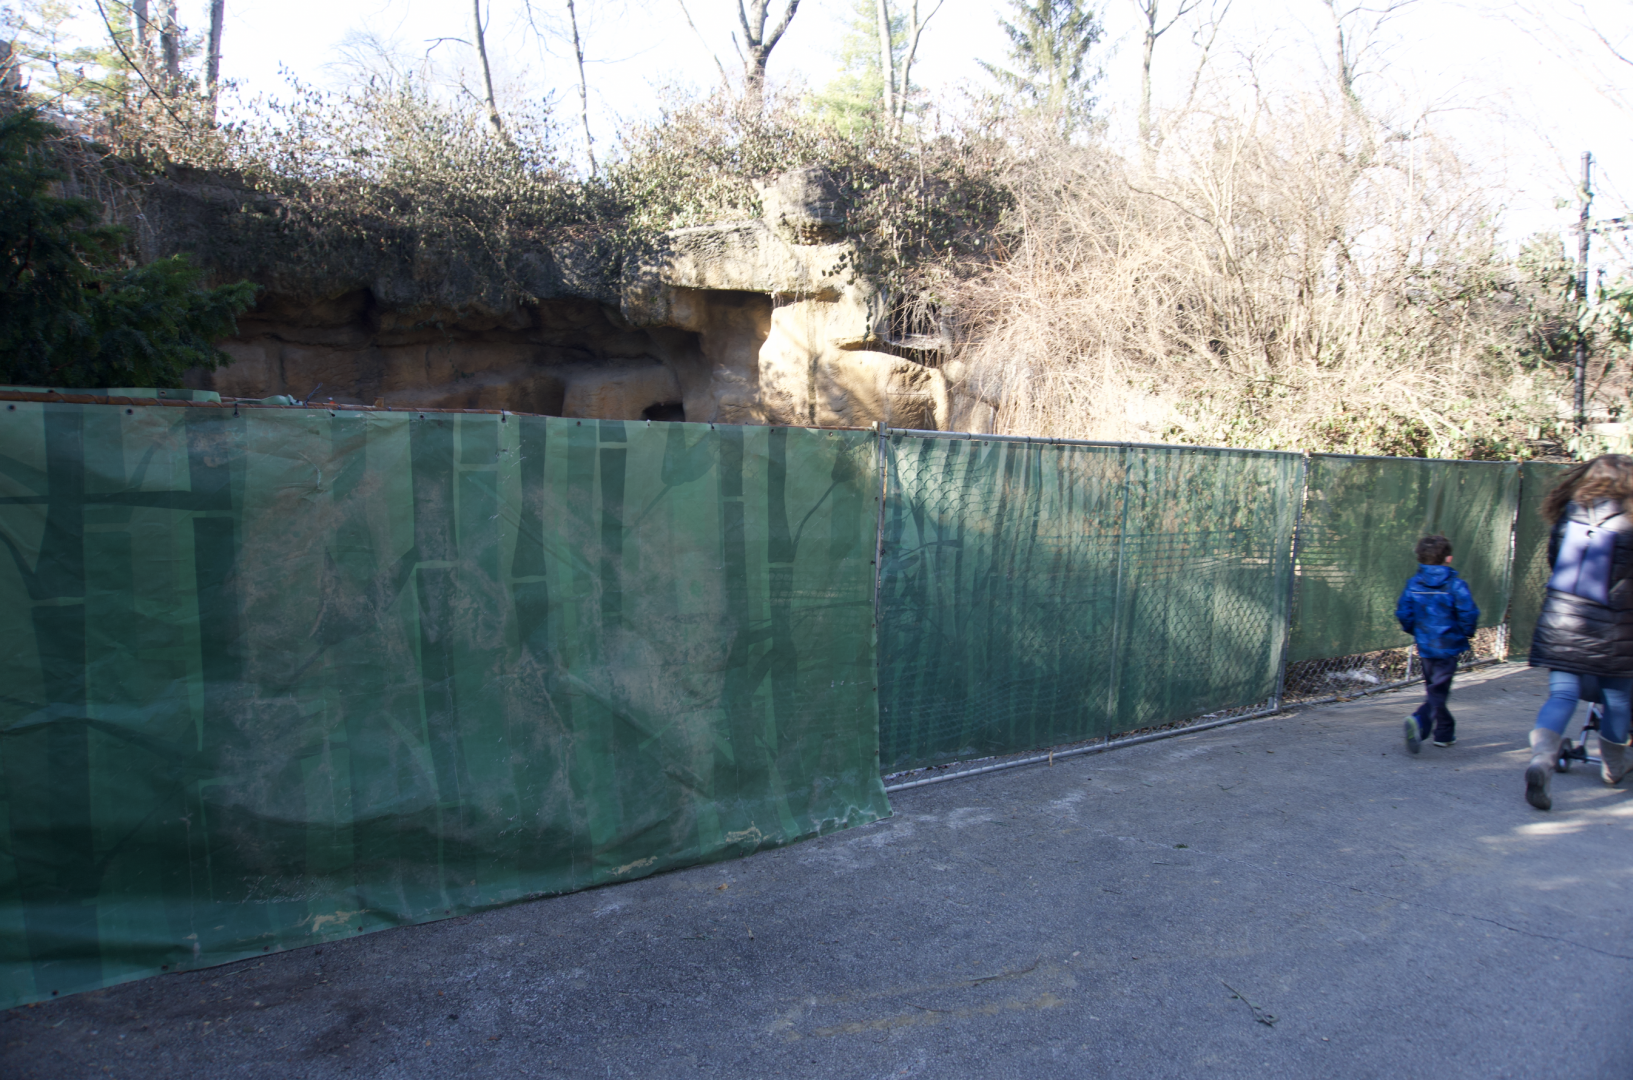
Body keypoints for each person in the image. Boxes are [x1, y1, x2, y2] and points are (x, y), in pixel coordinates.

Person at [1524, 453, 1633, 811]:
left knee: (1562, 696)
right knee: (1617, 700)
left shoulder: (1570, 513)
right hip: (1616, 630)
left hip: (1563, 621)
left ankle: (1542, 759)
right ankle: (1614, 766)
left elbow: (1556, 562)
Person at [1395, 534, 1479, 754]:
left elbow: (1404, 612)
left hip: (1426, 646)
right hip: (1447, 647)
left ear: (1420, 559)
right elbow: (1468, 612)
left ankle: (1444, 733)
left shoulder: (1413, 584)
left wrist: (1416, 630)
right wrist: (1466, 632)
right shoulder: (1456, 585)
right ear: (1448, 558)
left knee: (1435, 690)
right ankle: (1419, 722)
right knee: (1438, 693)